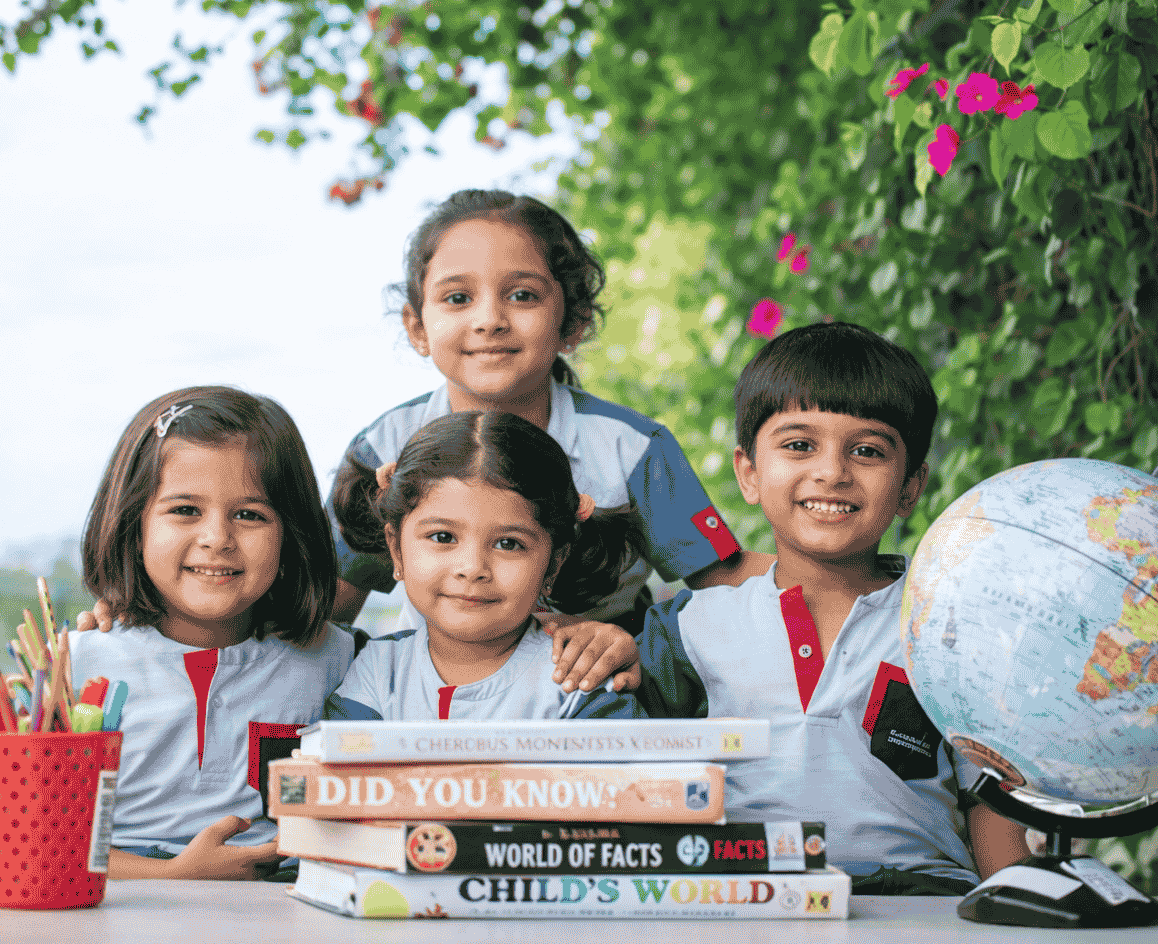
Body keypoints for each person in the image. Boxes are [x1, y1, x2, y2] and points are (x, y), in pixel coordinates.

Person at [632, 322, 1030, 893]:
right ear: (748, 473)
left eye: (867, 451)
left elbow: (991, 804)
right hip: (745, 899)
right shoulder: (690, 627)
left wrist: (1015, 913)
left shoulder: (948, 629)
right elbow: (629, 783)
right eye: (799, 445)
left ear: (911, 486)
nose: (833, 472)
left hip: (921, 903)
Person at [329, 189, 773, 638]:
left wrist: (834, 577)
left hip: (601, 692)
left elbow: (725, 589)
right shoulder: (384, 445)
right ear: (417, 327)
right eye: (458, 298)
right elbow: (328, 610)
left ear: (573, 323)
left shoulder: (631, 448)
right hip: (438, 694)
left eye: (523, 295)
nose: (490, 319)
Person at [70, 386, 357, 880]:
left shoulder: (344, 662)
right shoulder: (73, 668)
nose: (217, 538)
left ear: (292, 535)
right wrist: (173, 876)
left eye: (250, 514)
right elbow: (38, 840)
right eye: (184, 510)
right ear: (132, 526)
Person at [325, 411, 646, 720]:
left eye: (508, 543)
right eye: (443, 536)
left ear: (553, 563)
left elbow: (617, 775)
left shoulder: (580, 679)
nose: (473, 567)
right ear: (397, 550)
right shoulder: (376, 672)